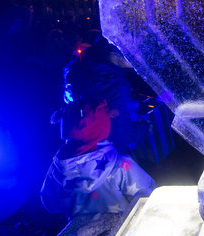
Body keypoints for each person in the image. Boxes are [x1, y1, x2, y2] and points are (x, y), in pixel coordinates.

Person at [40, 53, 156, 224]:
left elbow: (49, 202)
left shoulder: (56, 169)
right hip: (121, 227)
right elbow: (148, 193)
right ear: (105, 128)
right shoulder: (121, 164)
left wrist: (74, 201)